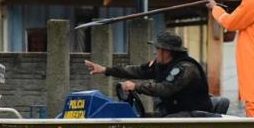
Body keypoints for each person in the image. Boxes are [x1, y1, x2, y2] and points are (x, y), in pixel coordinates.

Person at [83, 31, 213, 117]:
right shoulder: (161, 65)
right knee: (145, 118)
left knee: (162, 124)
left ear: (167, 51)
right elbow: (137, 70)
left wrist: (136, 87)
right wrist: (106, 70)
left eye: (157, 49)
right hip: (175, 112)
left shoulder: (186, 68)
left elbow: (165, 89)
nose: (155, 52)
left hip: (194, 115)